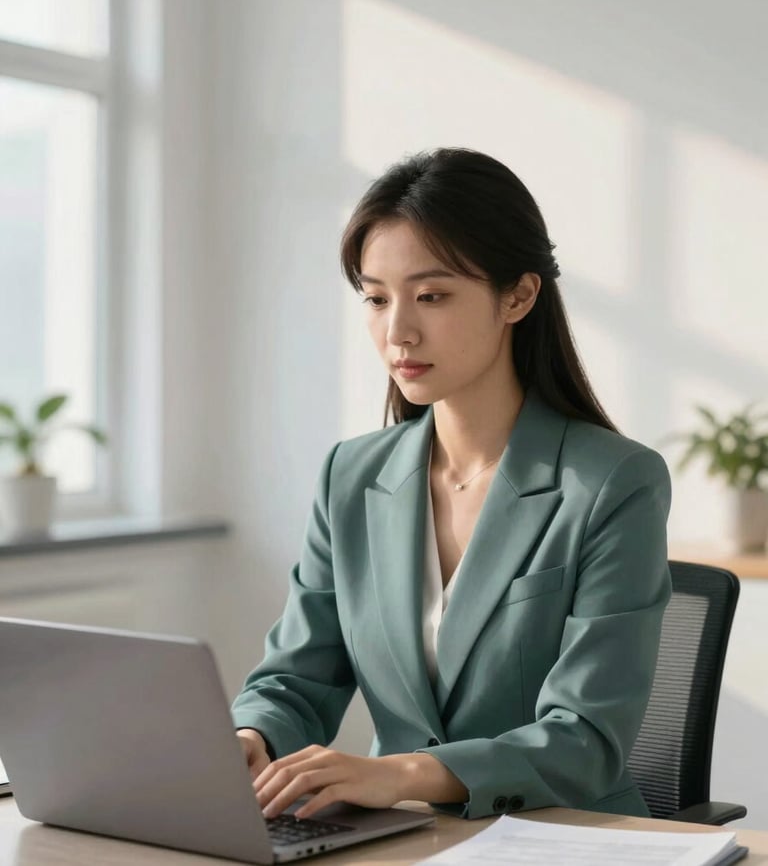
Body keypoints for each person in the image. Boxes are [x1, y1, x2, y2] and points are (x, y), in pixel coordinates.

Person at [231, 148, 671, 822]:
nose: (397, 331)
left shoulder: (613, 483)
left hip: (564, 837)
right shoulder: (351, 476)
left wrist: (402, 773)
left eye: (431, 296)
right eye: (376, 299)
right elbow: (298, 676)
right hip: (402, 837)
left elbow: (584, 739)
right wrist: (251, 739)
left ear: (518, 296)